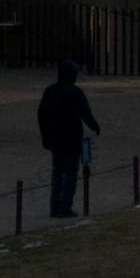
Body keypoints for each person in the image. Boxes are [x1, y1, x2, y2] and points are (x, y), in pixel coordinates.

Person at [36, 58, 100, 218]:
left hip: (55, 138)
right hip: (71, 138)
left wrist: (45, 136)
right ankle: (65, 207)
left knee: (57, 172)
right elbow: (85, 113)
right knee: (71, 173)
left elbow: (41, 115)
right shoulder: (75, 93)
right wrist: (94, 126)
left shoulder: (50, 91)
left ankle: (55, 206)